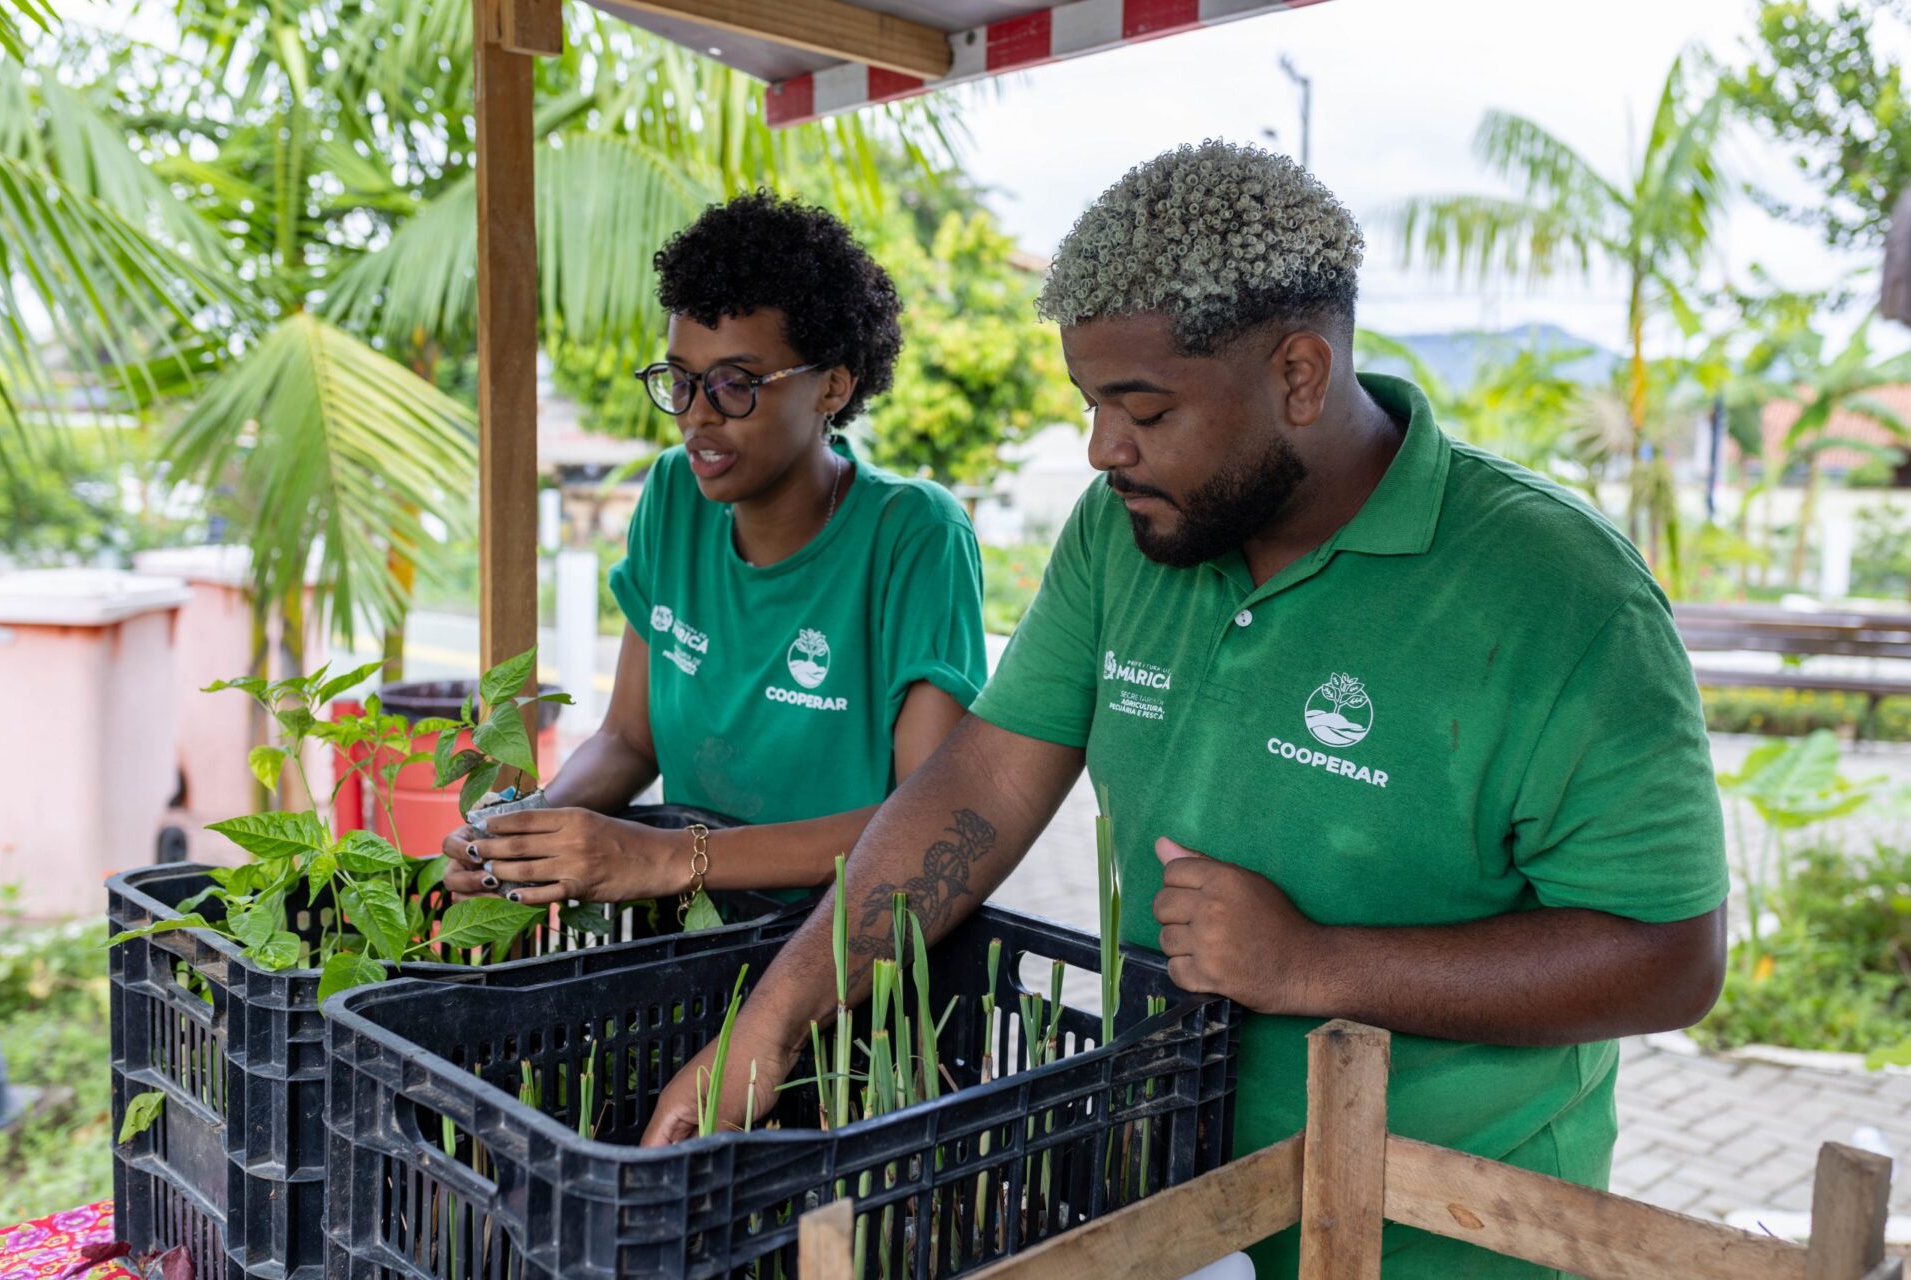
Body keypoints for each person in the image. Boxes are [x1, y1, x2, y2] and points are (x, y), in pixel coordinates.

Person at [638, 142, 1729, 1278]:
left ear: (1299, 375)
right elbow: (976, 786)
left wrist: (1316, 963)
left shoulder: (1560, 593)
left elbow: (1670, 955)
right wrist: (764, 1031)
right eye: (1090, 402)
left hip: (1450, 1234)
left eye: (1144, 407)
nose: (1103, 447)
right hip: (1173, 1206)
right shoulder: (1122, 535)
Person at [441, 192, 987, 911]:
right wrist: (528, 832)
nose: (698, 413)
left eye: (736, 383)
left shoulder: (915, 536)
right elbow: (629, 739)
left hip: (852, 966)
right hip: (696, 942)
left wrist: (667, 856)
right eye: (680, 379)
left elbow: (929, 827)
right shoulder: (673, 496)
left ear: (833, 384)